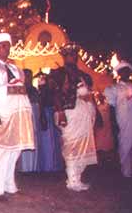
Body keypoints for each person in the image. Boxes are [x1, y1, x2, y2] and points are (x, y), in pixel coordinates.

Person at [0, 33, 34, 202]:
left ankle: (10, 185)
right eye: (2, 46)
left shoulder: (16, 68)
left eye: (8, 45)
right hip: (1, 113)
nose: (7, 48)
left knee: (15, 149)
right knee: (0, 150)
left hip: (19, 112)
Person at [50, 43, 97, 191]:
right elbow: (55, 94)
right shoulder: (57, 73)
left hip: (85, 113)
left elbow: (90, 95)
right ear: (64, 57)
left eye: (75, 55)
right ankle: (72, 180)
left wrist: (98, 113)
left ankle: (77, 177)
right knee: (71, 144)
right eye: (70, 55)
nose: (73, 57)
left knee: (83, 146)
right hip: (68, 112)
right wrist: (61, 112)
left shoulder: (84, 75)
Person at [104, 61, 132, 177]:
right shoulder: (114, 88)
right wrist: (113, 121)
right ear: (119, 73)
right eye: (123, 71)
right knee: (125, 142)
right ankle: (126, 170)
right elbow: (111, 106)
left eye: (127, 71)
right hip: (123, 119)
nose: (126, 74)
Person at [17, 69, 39, 172]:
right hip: (23, 114)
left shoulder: (34, 90)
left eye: (30, 76)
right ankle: (25, 167)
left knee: (33, 137)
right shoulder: (19, 89)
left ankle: (33, 167)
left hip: (33, 113)